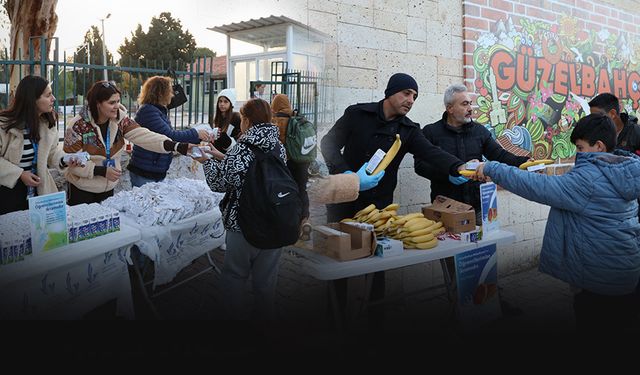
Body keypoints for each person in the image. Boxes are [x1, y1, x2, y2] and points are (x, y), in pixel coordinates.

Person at [320, 72, 466, 325]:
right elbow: (328, 143)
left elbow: (432, 153)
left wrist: (458, 167)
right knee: (338, 262)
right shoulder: (357, 114)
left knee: (378, 264)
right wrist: (345, 173)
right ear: (390, 92)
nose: (411, 100)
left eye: (415, 96)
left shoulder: (408, 130)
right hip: (343, 200)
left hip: (378, 208)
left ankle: (375, 320)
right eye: (406, 93)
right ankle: (335, 318)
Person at [473, 113, 640, 332]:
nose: (577, 154)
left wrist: (492, 168)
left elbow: (536, 186)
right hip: (626, 272)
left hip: (599, 282)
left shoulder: (588, 180)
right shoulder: (624, 169)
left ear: (598, 146)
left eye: (580, 148)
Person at [414, 83, 529, 317]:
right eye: (465, 104)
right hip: (446, 212)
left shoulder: (480, 131)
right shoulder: (431, 132)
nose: (471, 108)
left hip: (478, 209)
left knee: (484, 261)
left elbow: (499, 155)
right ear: (449, 108)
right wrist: (447, 173)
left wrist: (525, 162)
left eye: (471, 103)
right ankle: (458, 312)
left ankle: (492, 307)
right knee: (455, 268)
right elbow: (420, 166)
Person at [196, 98, 285, 319]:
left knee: (235, 278)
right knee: (266, 283)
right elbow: (247, 170)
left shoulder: (243, 149)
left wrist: (207, 161)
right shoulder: (278, 146)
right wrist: (220, 156)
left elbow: (220, 183)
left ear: (245, 120)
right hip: (275, 222)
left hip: (243, 224)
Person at [63, 80, 192, 205]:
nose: (117, 106)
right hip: (82, 190)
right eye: (111, 102)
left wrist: (176, 146)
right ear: (98, 103)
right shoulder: (77, 125)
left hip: (108, 187)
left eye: (118, 101)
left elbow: (143, 135)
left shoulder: (120, 120)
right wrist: (101, 171)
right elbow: (71, 161)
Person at [0, 75, 83, 215]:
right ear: (33, 99)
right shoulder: (4, 124)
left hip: (40, 190)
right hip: (8, 191)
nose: (54, 99)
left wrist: (66, 159)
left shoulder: (47, 123)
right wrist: (19, 174)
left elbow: (52, 152)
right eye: (48, 95)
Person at [127, 76, 211, 187]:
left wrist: (197, 137)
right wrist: (195, 133)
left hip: (154, 170)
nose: (172, 95)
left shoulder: (157, 111)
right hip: (145, 172)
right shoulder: (148, 111)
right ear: (161, 93)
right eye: (170, 91)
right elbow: (169, 136)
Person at [271, 93, 314, 240]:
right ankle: (305, 220)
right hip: (303, 160)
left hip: (287, 161)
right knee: (302, 189)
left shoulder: (276, 120)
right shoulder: (298, 118)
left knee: (287, 192)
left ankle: (290, 224)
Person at [212, 88, 241, 154]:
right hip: (216, 153)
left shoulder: (236, 118)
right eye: (220, 101)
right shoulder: (217, 118)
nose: (222, 104)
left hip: (230, 154)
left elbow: (239, 137)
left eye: (225, 101)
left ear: (231, 103)